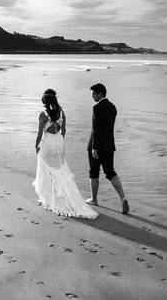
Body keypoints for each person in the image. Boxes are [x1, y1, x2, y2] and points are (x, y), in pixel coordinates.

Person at [32, 89, 98, 219]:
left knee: (46, 171)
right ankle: (62, 196)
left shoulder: (43, 115)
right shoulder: (61, 113)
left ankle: (49, 198)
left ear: (45, 100)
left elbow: (40, 133)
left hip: (48, 144)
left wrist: (36, 146)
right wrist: (59, 140)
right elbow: (64, 130)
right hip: (60, 143)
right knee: (60, 171)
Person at [86, 83, 129, 214]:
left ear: (100, 93)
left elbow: (96, 129)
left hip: (96, 145)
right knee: (110, 172)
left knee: (94, 172)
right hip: (109, 146)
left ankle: (94, 199)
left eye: (93, 93)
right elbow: (107, 128)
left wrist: (94, 148)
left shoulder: (97, 108)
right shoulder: (113, 107)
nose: (92, 96)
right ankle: (123, 198)